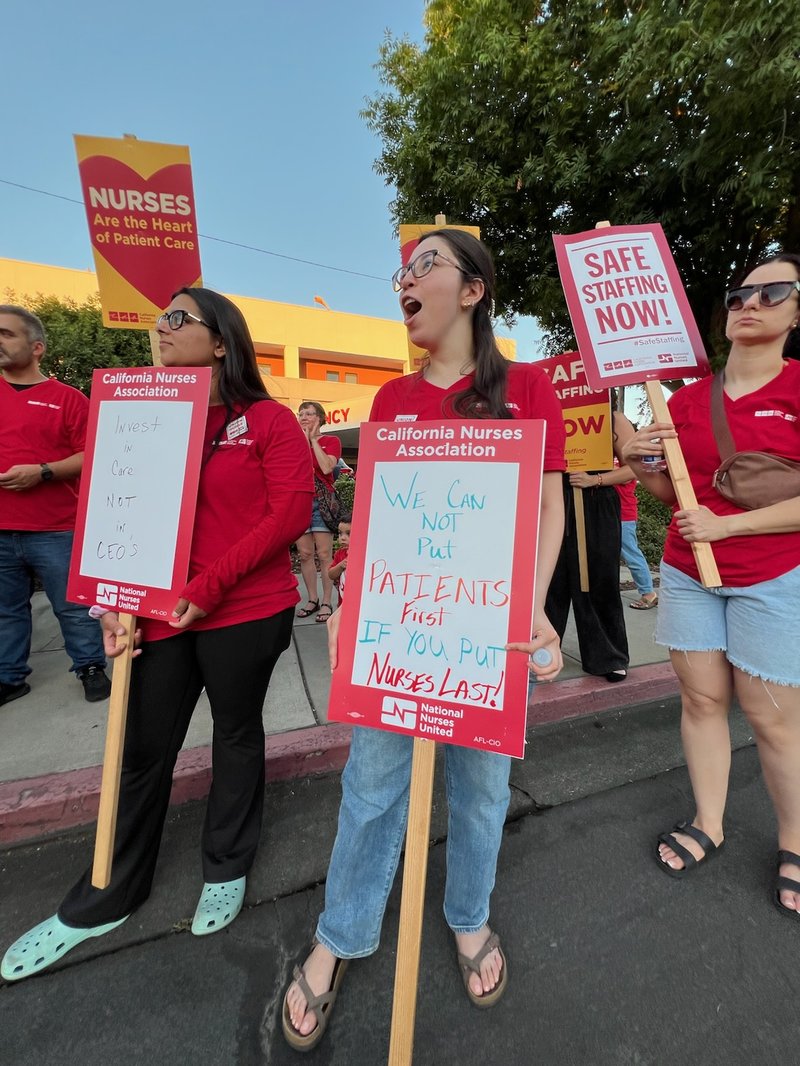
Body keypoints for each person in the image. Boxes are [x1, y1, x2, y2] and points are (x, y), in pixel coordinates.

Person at [281, 229, 566, 1052]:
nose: (404, 280)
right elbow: (373, 519)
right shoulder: (392, 404)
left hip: (492, 637)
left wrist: (533, 606)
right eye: (401, 270)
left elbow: (547, 509)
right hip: (401, 632)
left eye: (424, 266)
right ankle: (342, 933)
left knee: (480, 791)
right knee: (370, 789)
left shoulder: (529, 387)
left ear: (473, 289)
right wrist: (345, 607)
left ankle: (469, 919)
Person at [1, 288, 312, 981]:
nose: (160, 328)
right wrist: (111, 602)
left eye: (178, 318)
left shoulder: (265, 419)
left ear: (223, 342)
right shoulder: (139, 419)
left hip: (246, 609)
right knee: (143, 747)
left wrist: (206, 588)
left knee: (236, 733)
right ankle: (109, 890)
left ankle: (227, 865)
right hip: (157, 616)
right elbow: (108, 508)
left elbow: (289, 512)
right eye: (160, 318)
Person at [620, 253, 800, 916]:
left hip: (775, 574)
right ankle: (710, 821)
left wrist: (727, 531)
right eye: (738, 293)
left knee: (772, 718)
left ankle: (795, 840)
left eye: (772, 292)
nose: (749, 303)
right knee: (701, 703)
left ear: (796, 310)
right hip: (688, 572)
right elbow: (679, 493)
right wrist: (640, 463)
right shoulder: (687, 399)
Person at [0, 305, 111, 706]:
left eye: (7, 333)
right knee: (6, 610)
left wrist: (42, 472)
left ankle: (90, 666)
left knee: (74, 605)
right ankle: (9, 677)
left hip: (56, 527)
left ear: (37, 347)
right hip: (1, 529)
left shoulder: (67, 399)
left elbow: (94, 453)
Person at [545, 402, 638, 681]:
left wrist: (595, 480)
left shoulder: (614, 419)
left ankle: (608, 656)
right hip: (551, 500)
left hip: (596, 502)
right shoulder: (545, 412)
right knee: (549, 581)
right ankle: (543, 653)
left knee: (598, 578)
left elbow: (635, 469)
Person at [295, 401, 341, 624]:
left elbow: (326, 468)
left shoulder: (331, 441)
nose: (304, 416)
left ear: (320, 418)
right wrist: (301, 441)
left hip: (321, 503)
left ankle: (326, 601)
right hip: (300, 502)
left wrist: (313, 440)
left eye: (309, 413)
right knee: (304, 554)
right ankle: (312, 599)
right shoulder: (293, 443)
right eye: (301, 413)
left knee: (324, 555)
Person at [615, 465, 658, 609]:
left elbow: (626, 477)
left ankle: (648, 593)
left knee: (631, 554)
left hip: (623, 514)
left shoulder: (626, 462)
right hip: (609, 512)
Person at [328, 513, 351, 607]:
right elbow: (331, 574)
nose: (342, 537)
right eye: (340, 533)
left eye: (348, 533)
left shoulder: (365, 554)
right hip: (343, 603)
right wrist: (340, 566)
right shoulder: (340, 554)